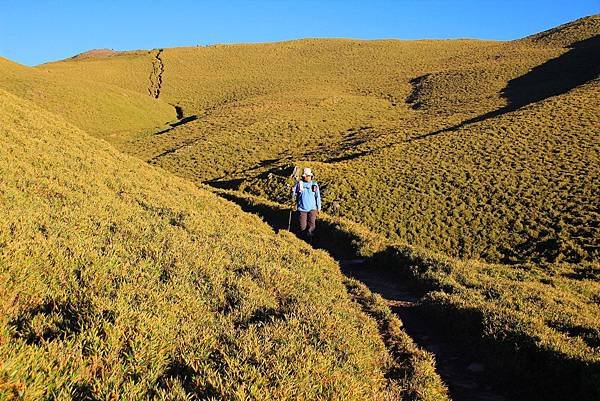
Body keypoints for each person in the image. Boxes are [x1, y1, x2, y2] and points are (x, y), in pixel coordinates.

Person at [291, 167, 321, 240]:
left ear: (311, 176)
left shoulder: (314, 184)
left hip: (312, 208)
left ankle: (309, 238)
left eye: (309, 176)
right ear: (303, 177)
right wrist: (292, 191)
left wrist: (319, 207)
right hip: (302, 208)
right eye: (306, 176)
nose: (308, 177)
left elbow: (317, 196)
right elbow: (293, 195)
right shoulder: (299, 184)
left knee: (312, 225)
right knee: (302, 226)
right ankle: (303, 238)